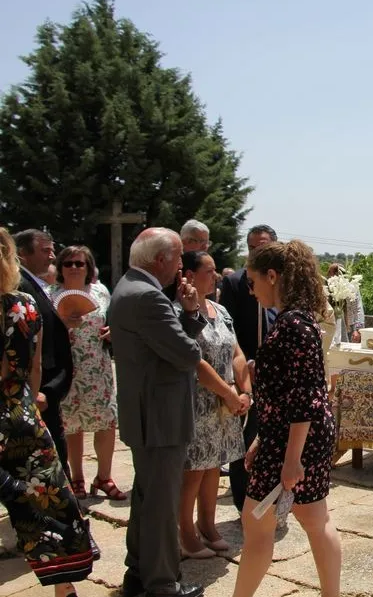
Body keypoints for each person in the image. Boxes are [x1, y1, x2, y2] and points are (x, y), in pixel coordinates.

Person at [233, 240, 341, 597]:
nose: (251, 291)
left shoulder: (293, 325)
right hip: (294, 436)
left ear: (272, 276)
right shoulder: (297, 320)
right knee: (313, 519)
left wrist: (292, 459)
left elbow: (304, 396)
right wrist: (261, 438)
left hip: (295, 440)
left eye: (253, 282)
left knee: (257, 523)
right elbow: (290, 393)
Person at [109, 227, 207, 597]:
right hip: (160, 417)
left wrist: (185, 315)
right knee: (162, 503)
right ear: (161, 259)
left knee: (147, 497)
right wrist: (192, 312)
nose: (182, 264)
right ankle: (163, 583)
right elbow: (187, 353)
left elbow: (166, 346)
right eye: (179, 256)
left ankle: (138, 573)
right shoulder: (148, 297)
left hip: (146, 413)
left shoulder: (129, 287)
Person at [1, 227, 95, 597]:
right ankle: (64, 587)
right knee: (49, 502)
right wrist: (30, 402)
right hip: (23, 414)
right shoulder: (25, 304)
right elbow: (35, 368)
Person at [176, 251, 250, 559]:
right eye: (209, 271)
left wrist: (245, 391)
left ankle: (207, 524)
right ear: (190, 276)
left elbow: (236, 352)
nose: (216, 276)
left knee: (213, 466)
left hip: (226, 403)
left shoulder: (220, 309)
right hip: (199, 401)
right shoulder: (180, 312)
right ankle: (185, 533)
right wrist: (229, 394)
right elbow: (195, 360)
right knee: (194, 470)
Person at [50, 246, 125, 501]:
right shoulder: (50, 294)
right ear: (60, 267)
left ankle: (104, 477)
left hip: (97, 367)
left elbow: (113, 321)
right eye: (68, 263)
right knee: (72, 424)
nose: (74, 267)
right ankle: (77, 477)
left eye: (79, 263)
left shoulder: (101, 292)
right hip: (66, 367)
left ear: (88, 267)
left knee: (106, 422)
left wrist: (113, 331)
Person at [219, 225, 278, 514]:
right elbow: (227, 332)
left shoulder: (283, 281)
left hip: (276, 371)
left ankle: (272, 496)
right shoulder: (235, 283)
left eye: (262, 247)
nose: (256, 252)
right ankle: (243, 499)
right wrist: (244, 366)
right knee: (245, 436)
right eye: (252, 247)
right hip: (246, 371)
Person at [14, 229, 73, 475]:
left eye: (52, 249)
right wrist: (36, 391)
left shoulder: (34, 283)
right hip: (37, 392)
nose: (52, 256)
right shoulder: (20, 286)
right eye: (45, 250)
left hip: (47, 390)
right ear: (23, 254)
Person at [326, 263, 365, 342]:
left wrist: (357, 329)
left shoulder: (351, 289)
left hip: (350, 329)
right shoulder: (327, 290)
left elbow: (358, 310)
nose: (332, 276)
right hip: (331, 328)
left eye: (335, 272)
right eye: (330, 272)